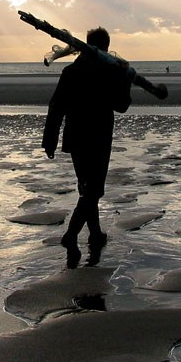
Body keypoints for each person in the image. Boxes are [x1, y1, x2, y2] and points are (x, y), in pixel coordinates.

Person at [43, 27, 133, 258]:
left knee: (87, 187)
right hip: (99, 137)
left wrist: (50, 141)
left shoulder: (71, 71)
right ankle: (71, 234)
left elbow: (56, 107)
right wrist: (125, 80)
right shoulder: (109, 73)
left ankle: (95, 233)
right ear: (104, 47)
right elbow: (122, 105)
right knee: (93, 190)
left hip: (76, 137)